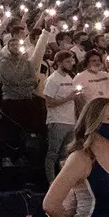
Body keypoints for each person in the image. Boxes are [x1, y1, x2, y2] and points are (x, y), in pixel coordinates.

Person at [42, 50, 80, 181]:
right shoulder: (53, 79)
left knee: (65, 155)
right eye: (68, 61)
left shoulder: (70, 78)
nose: (71, 64)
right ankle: (51, 181)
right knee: (53, 153)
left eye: (72, 61)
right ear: (59, 62)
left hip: (70, 121)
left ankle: (62, 182)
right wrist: (68, 98)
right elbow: (49, 102)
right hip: (57, 121)